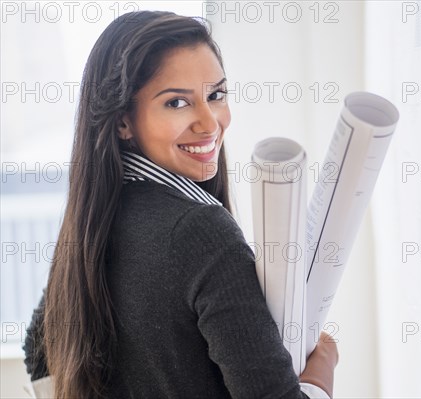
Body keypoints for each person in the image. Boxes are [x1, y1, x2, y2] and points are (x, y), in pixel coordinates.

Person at [22, 10, 338, 399]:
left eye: (215, 95)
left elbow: (37, 354)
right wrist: (319, 377)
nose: (209, 122)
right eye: (176, 103)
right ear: (123, 121)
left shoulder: (94, 217)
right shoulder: (201, 232)